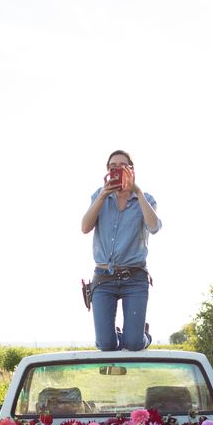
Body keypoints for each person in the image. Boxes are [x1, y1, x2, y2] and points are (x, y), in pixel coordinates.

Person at [81, 150, 161, 351]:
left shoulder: (146, 198)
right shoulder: (99, 196)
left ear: (131, 170)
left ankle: (142, 334)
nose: (116, 169)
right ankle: (119, 333)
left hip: (134, 278)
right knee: (106, 345)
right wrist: (102, 196)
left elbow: (154, 227)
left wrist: (138, 191)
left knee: (133, 344)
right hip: (104, 277)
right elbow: (85, 227)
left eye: (121, 166)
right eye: (112, 167)